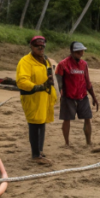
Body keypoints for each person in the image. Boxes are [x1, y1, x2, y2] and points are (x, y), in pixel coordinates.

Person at [15, 36, 58, 164]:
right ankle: (35, 154)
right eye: (37, 46)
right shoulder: (25, 61)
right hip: (32, 97)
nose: (40, 48)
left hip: (44, 97)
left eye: (42, 46)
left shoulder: (46, 60)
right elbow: (22, 81)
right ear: (31, 47)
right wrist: (39, 87)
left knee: (42, 122)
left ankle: (39, 151)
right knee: (34, 124)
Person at [56, 41, 99, 146]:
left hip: (82, 96)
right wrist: (60, 95)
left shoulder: (84, 65)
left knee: (88, 118)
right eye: (78, 52)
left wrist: (94, 97)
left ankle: (88, 142)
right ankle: (67, 143)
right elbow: (58, 82)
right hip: (68, 96)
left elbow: (87, 82)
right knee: (67, 120)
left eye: (81, 52)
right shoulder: (63, 64)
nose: (80, 54)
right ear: (72, 51)